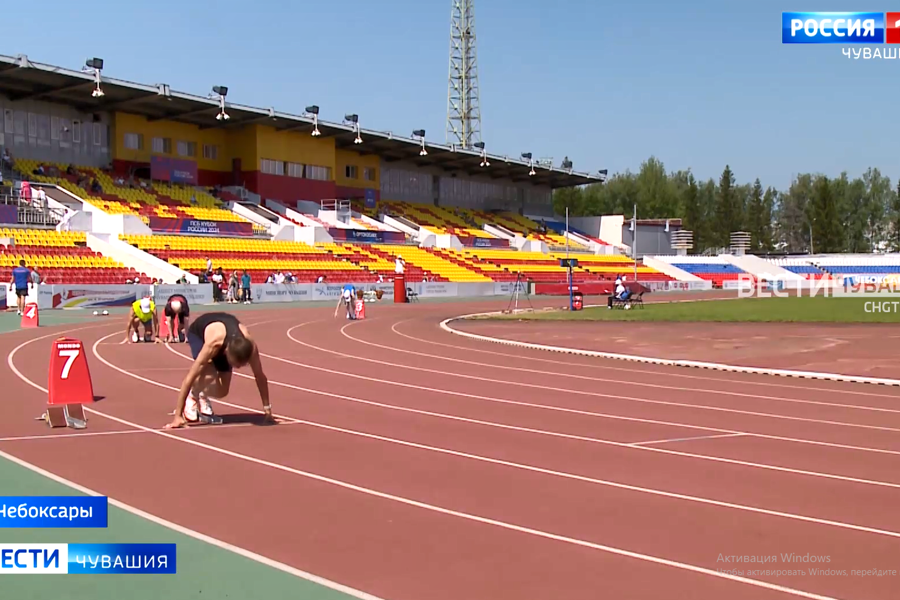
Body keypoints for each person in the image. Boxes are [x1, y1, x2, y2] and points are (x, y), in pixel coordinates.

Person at [165, 313, 273, 429]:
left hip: (226, 334)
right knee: (210, 371)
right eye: (235, 365)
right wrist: (178, 416)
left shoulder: (250, 346)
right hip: (199, 333)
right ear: (227, 352)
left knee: (223, 391)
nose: (238, 368)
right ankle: (192, 396)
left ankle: (202, 394)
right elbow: (189, 378)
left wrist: (267, 410)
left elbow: (260, 377)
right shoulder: (213, 344)